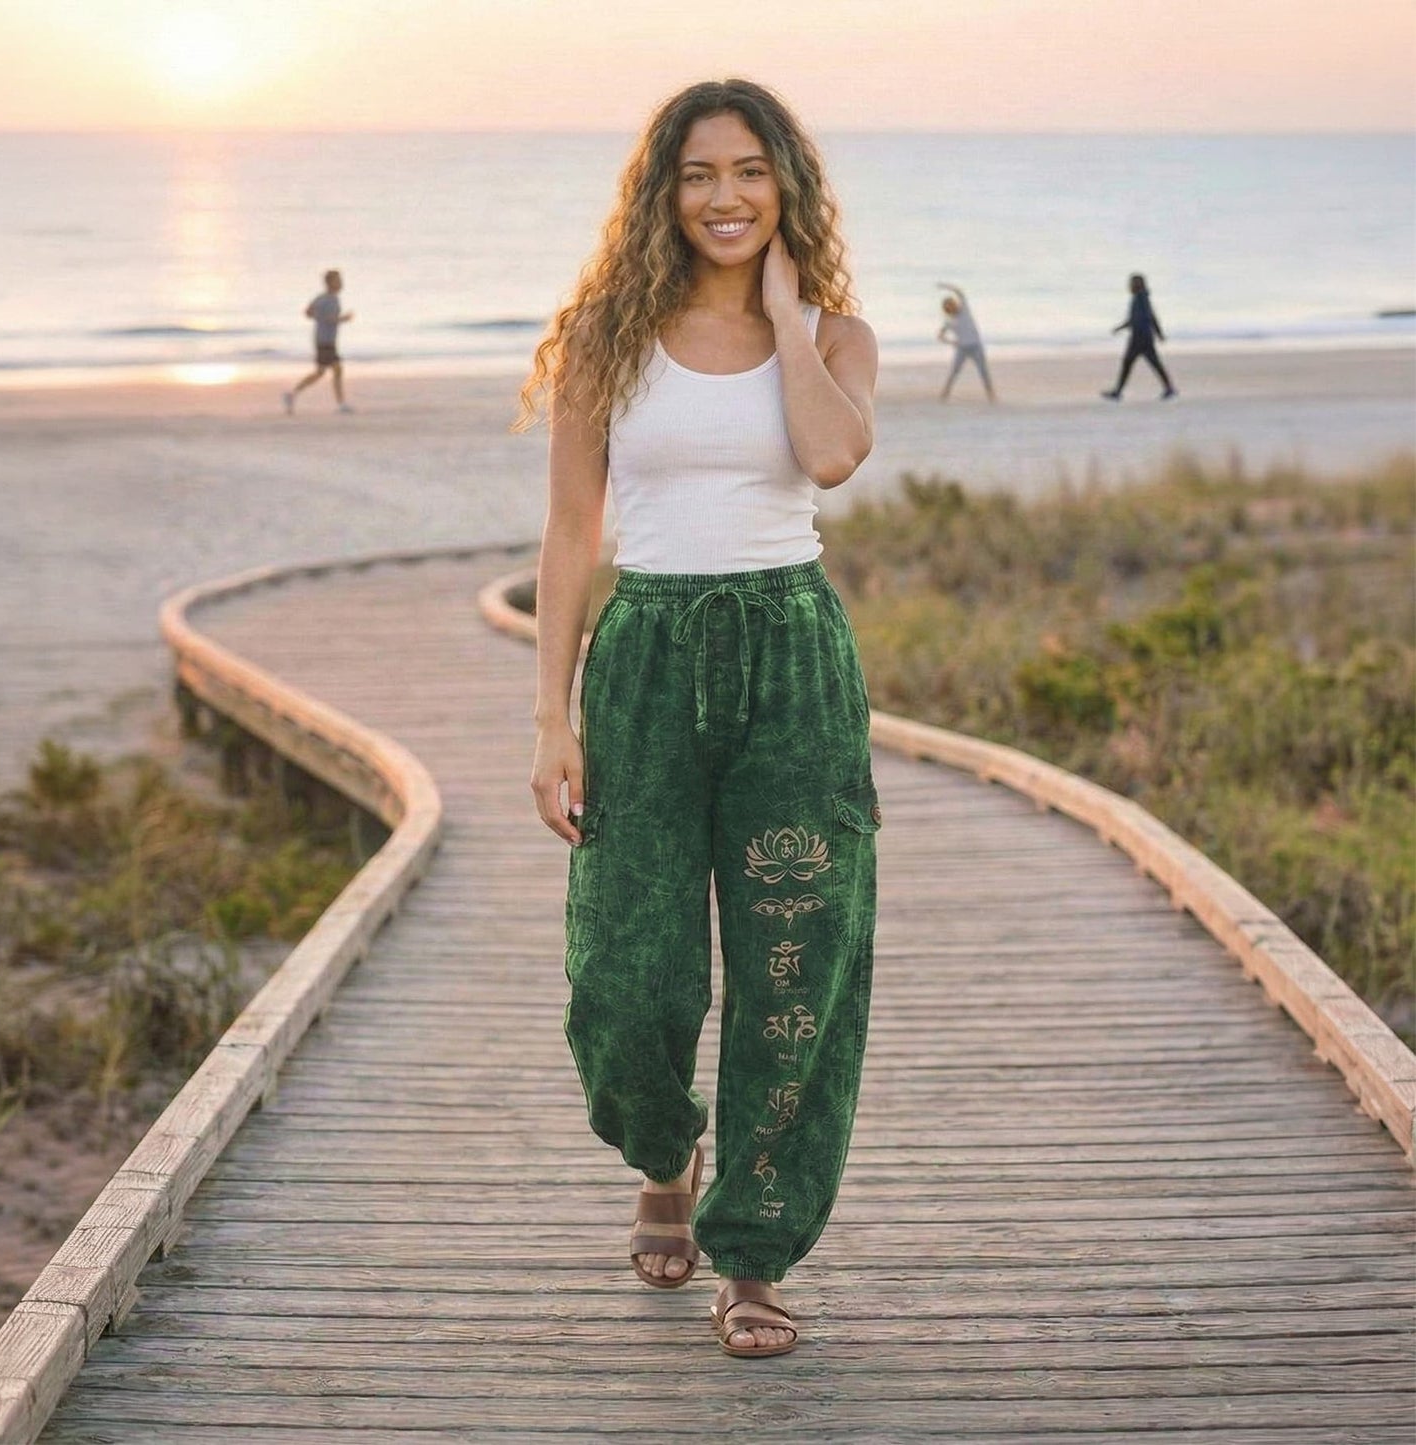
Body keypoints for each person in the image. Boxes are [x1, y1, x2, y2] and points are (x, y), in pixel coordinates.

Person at [518, 78, 880, 1360]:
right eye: (696, 174)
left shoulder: (835, 336)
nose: (723, 197)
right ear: (659, 194)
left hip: (792, 658)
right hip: (647, 658)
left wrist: (785, 321)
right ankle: (662, 1147)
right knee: (628, 970)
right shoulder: (602, 341)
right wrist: (552, 718)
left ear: (784, 185)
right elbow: (570, 534)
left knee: (796, 969)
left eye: (747, 172)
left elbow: (833, 457)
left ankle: (753, 1249)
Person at [283, 269, 355, 415]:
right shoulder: (326, 299)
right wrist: (344, 319)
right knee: (337, 369)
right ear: (330, 283)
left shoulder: (328, 298)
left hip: (325, 340)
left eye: (340, 280)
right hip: (324, 341)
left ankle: (292, 394)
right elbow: (323, 317)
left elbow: (309, 313)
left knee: (320, 373)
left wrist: (320, 317)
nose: (341, 283)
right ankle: (341, 404)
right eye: (338, 280)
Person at [1103, 273, 1176, 400]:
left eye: (1131, 283)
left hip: (1140, 338)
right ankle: (1169, 388)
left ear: (1137, 285)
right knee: (1149, 363)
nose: (1129, 286)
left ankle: (1118, 392)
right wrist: (1159, 334)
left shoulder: (1140, 298)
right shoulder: (1141, 297)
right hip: (1143, 336)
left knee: (1130, 363)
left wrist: (1158, 334)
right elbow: (1147, 318)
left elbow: (1146, 318)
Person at [937, 282, 996, 402]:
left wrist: (945, 286)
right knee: (954, 371)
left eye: (951, 304)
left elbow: (960, 292)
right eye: (948, 306)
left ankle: (991, 395)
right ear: (946, 309)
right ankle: (945, 393)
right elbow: (940, 336)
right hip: (962, 349)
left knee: (983, 370)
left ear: (954, 304)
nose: (951, 307)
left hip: (975, 346)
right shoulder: (949, 321)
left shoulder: (964, 310)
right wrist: (952, 342)